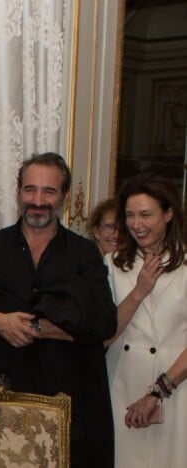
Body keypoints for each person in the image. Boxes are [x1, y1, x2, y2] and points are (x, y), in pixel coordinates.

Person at [0, 152, 117, 468]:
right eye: (30, 190)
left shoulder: (84, 254)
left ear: (64, 197)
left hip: (70, 402)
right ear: (18, 192)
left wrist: (38, 329)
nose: (38, 200)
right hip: (3, 395)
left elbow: (104, 324)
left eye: (48, 191)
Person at [104, 173, 186, 468]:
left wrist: (157, 392)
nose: (137, 224)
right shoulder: (112, 266)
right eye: (129, 215)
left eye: (146, 214)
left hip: (177, 392)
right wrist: (139, 292)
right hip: (123, 389)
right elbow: (103, 335)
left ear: (168, 213)